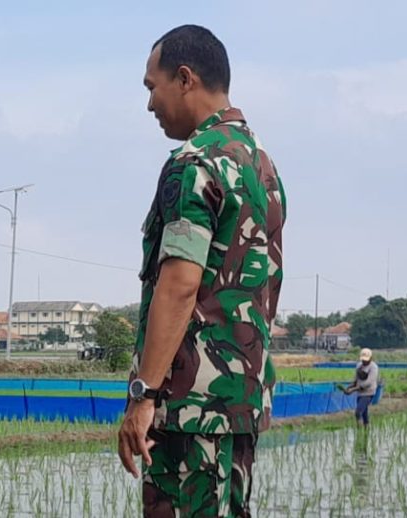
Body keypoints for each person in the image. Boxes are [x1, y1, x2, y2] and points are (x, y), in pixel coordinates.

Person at [117, 25, 286, 518]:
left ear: (185, 78)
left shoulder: (194, 163)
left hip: (189, 407)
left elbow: (179, 284)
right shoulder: (261, 166)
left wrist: (144, 394)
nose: (150, 104)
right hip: (240, 404)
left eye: (153, 87)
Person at [350, 348, 380, 427]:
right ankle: (366, 428)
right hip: (360, 392)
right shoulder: (359, 366)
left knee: (358, 412)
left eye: (366, 360)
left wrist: (353, 389)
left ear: (371, 358)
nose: (364, 361)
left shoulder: (373, 367)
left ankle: (359, 430)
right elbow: (356, 378)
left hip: (368, 392)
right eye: (363, 360)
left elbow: (368, 382)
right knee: (364, 414)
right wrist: (350, 387)